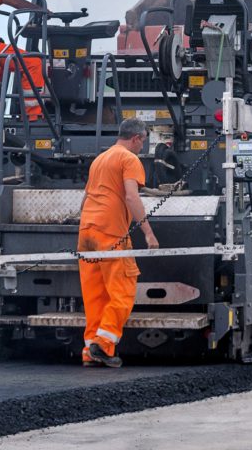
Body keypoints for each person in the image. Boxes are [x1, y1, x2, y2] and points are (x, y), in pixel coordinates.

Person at [78, 118, 159, 368]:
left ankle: (91, 349)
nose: (142, 147)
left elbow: (85, 197)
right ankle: (103, 345)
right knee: (123, 292)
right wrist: (148, 232)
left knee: (95, 296)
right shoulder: (129, 159)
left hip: (87, 232)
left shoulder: (100, 159)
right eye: (143, 142)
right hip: (110, 233)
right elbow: (132, 197)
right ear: (136, 138)